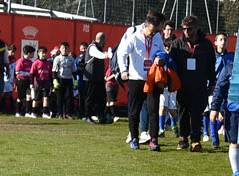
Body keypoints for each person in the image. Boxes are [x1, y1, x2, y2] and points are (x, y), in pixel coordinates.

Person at [115, 12, 168, 150]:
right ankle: (134, 138)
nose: (154, 34)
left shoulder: (157, 36)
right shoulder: (133, 35)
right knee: (134, 111)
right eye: (152, 31)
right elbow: (122, 53)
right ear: (147, 25)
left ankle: (154, 140)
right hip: (136, 79)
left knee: (153, 111)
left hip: (152, 79)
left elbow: (162, 52)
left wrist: (160, 58)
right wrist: (123, 70)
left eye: (156, 31)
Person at [166, 16, 217, 151]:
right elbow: (171, 65)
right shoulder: (177, 44)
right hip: (182, 85)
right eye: (184, 29)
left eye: (189, 29)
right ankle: (183, 138)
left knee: (197, 113)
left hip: (200, 85)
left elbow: (211, 65)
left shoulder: (206, 45)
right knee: (182, 112)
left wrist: (212, 83)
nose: (186, 31)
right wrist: (170, 81)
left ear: (196, 28)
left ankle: (195, 140)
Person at [83, 32, 112, 123]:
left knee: (101, 99)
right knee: (90, 98)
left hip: (99, 78)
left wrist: (110, 53)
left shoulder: (99, 48)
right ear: (102, 40)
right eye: (105, 41)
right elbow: (99, 55)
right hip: (91, 78)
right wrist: (107, 55)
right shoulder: (92, 47)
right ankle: (88, 116)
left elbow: (103, 53)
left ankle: (101, 117)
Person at [52, 42, 78, 119]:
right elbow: (54, 70)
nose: (64, 50)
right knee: (60, 97)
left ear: (69, 49)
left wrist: (75, 80)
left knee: (69, 97)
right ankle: (60, 113)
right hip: (60, 79)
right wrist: (55, 80)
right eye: (63, 48)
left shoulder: (71, 59)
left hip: (68, 79)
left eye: (66, 48)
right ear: (60, 49)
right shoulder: (57, 58)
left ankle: (68, 114)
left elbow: (74, 71)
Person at [30, 45, 54, 118]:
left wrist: (52, 84)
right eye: (42, 53)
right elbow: (32, 73)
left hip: (46, 83)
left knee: (46, 98)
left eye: (45, 53)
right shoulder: (35, 63)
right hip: (37, 84)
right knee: (36, 99)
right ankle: (34, 113)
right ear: (38, 53)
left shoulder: (48, 63)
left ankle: (45, 113)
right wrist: (31, 83)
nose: (44, 54)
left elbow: (50, 75)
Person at [12, 46, 35, 116]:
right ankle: (18, 112)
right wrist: (28, 74)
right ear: (28, 53)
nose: (33, 55)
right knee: (20, 97)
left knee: (29, 96)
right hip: (21, 81)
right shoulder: (21, 61)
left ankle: (27, 112)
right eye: (32, 53)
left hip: (28, 81)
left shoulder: (31, 62)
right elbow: (17, 72)